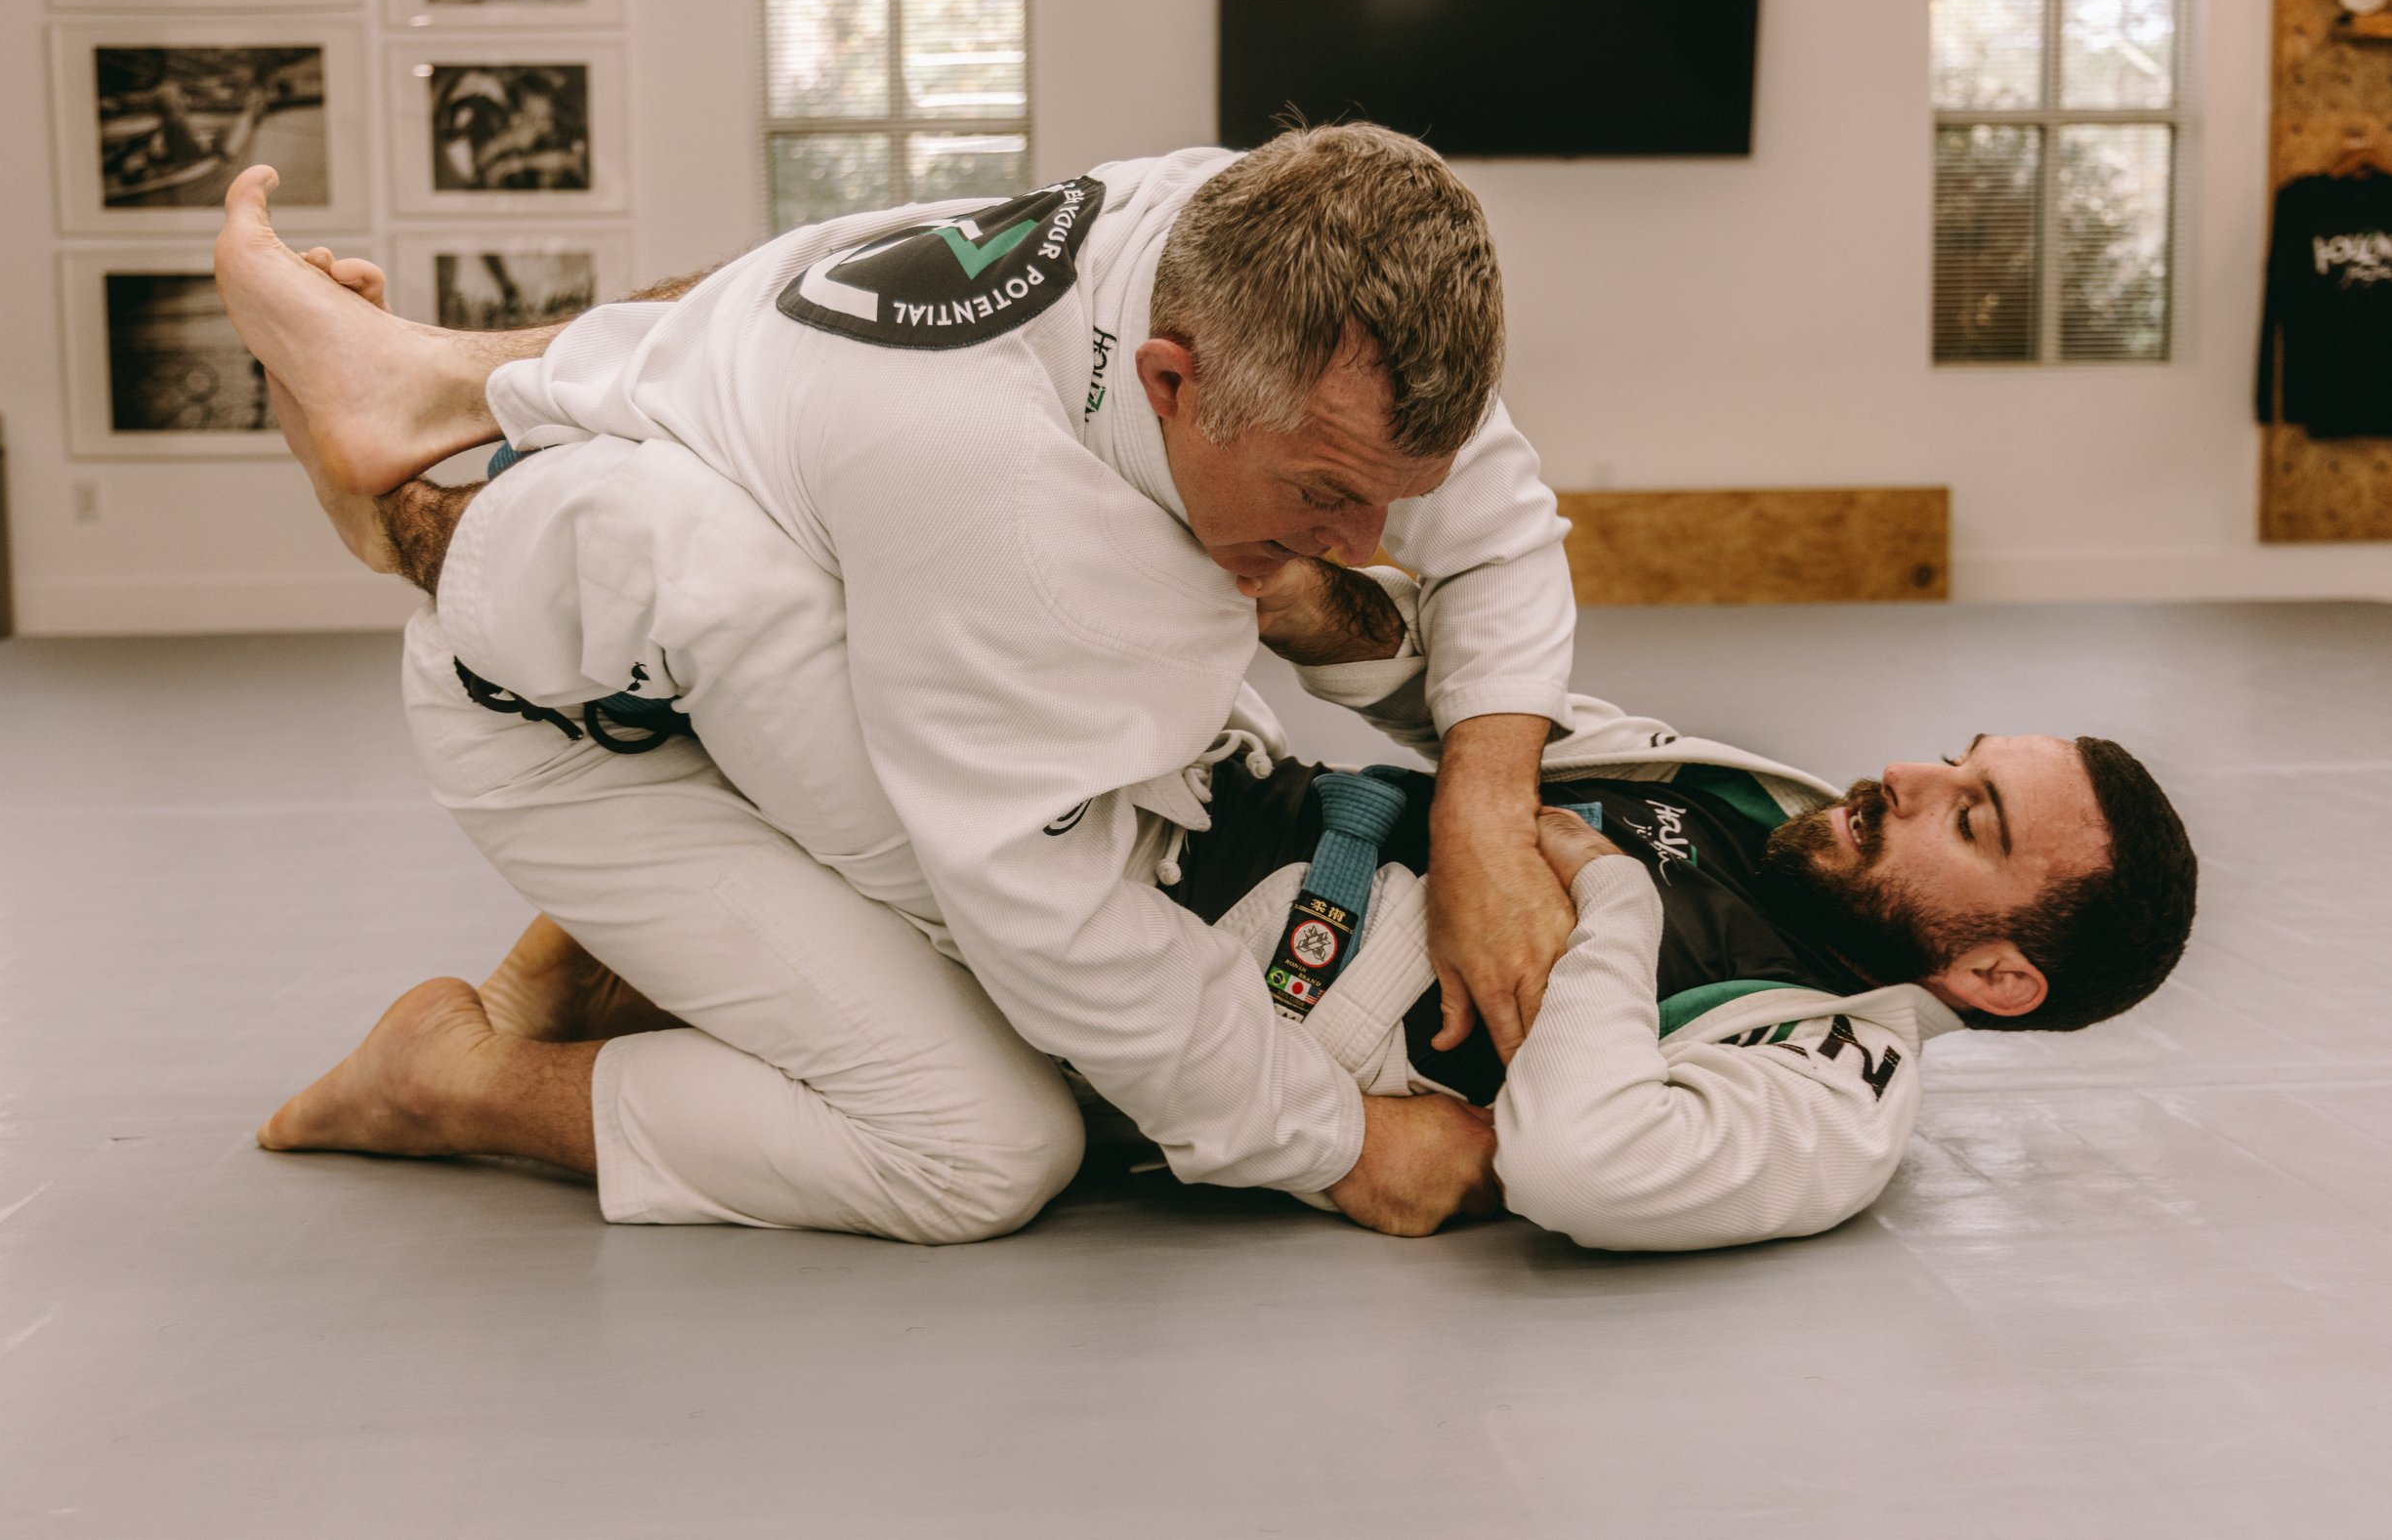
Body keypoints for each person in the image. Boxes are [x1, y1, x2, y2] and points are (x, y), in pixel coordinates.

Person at [218, 126, 1581, 1241]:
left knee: (1126, 689)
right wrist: (1336, 1145)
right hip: (579, 711)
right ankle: (445, 1082)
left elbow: (1504, 533)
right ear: (1171, 378)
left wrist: (1484, 810)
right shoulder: (1002, 515)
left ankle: (430, 395)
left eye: (1397, 497)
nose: (1369, 547)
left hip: (751, 588)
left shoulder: (1232, 235)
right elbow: (1057, 925)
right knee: (982, 1149)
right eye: (1328, 496)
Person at [263, 554, 2199, 1252]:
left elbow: (1596, 1170)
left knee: (984, 1158)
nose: (1903, 781)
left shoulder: (1830, 1093)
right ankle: (510, 538)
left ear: (2002, 969)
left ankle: (457, 1076)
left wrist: (1585, 901)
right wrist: (1353, 643)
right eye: (1951, 754)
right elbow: (1492, 747)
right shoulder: (1769, 809)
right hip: (1221, 794)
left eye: (1967, 815)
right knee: (886, 605)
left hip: (1185, 1003)